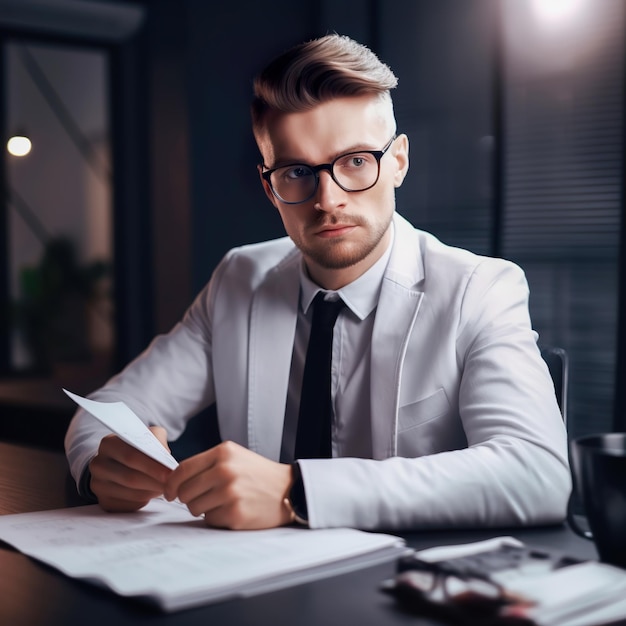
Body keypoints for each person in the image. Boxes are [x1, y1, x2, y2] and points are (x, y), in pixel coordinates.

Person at [65, 34, 570, 531]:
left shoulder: (479, 289)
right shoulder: (239, 278)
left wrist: (296, 492)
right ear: (269, 186)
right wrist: (103, 465)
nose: (328, 199)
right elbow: (106, 413)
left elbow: (537, 471)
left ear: (397, 162)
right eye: (297, 171)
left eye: (355, 161)